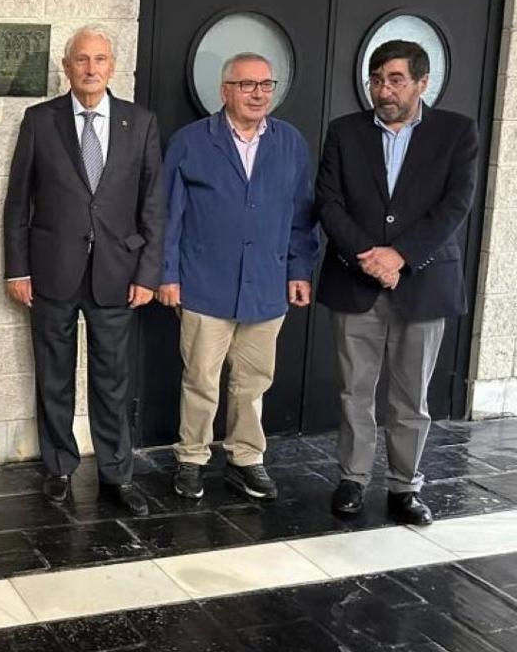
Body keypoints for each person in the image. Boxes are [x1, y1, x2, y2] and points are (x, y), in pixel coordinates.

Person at [3, 25, 164, 516]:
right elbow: (18, 203)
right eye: (81, 60)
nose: (91, 69)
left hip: (118, 273)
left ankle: (117, 473)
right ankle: (58, 468)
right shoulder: (39, 120)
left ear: (112, 65)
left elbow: (153, 204)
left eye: (99, 59)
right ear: (66, 67)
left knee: (113, 379)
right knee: (53, 375)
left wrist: (148, 273)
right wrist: (16, 269)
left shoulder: (141, 122)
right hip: (52, 270)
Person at [316, 39, 478, 526]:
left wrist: (400, 255)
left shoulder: (456, 133)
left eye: (395, 80)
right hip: (356, 279)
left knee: (411, 398)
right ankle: (353, 478)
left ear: (422, 83)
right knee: (354, 391)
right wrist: (369, 255)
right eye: (376, 79)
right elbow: (328, 202)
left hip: (423, 284)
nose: (383, 90)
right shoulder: (344, 132)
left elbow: (456, 205)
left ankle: (405, 487)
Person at [156, 53, 318, 501]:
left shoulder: (289, 142)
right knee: (201, 379)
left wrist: (299, 269)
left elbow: (303, 216)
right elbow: (169, 215)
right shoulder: (191, 142)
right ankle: (192, 458)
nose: (258, 94)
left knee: (253, 383)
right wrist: (167, 274)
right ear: (225, 90)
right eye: (247, 85)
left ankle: (246, 458)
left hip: (266, 286)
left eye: (266, 85)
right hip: (205, 283)